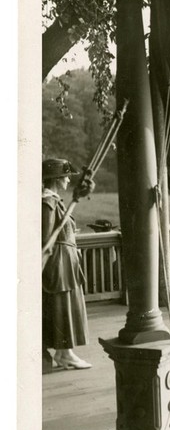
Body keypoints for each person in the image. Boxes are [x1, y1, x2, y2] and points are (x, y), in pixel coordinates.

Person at [42, 158, 95, 372]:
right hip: (58, 264)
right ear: (55, 178)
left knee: (68, 306)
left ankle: (66, 352)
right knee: (63, 307)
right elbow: (45, 239)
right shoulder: (47, 203)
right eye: (65, 176)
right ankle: (65, 354)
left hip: (66, 262)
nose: (67, 180)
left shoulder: (55, 200)